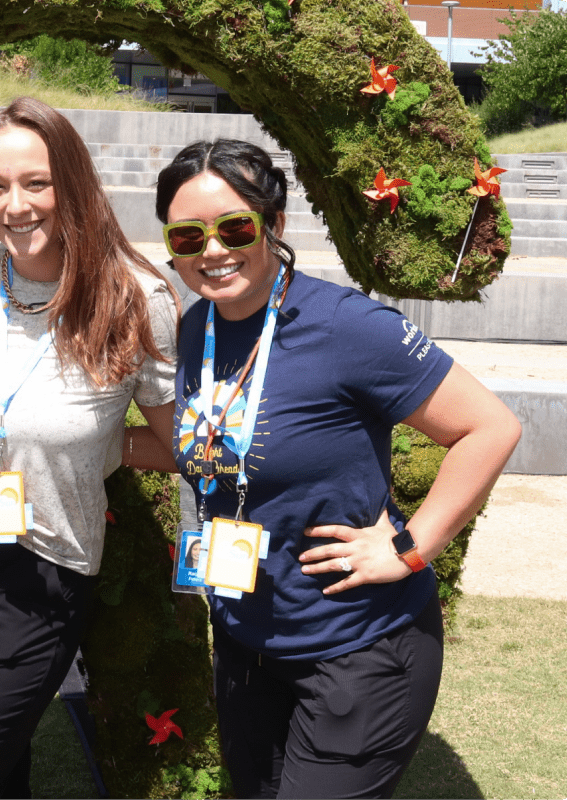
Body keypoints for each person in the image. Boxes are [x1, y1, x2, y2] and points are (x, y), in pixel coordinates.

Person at [129, 138, 521, 799]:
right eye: (189, 235)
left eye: (235, 228)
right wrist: (98, 442)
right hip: (245, 642)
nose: (213, 251)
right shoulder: (198, 329)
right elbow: (210, 450)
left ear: (274, 225)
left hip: (358, 648)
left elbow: (490, 427)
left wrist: (409, 548)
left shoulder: (346, 327)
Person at [0, 97, 179, 799]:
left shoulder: (135, 297)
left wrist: (90, 450)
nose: (15, 204)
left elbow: (175, 443)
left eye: (36, 182)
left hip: (37, 558)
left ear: (74, 182)